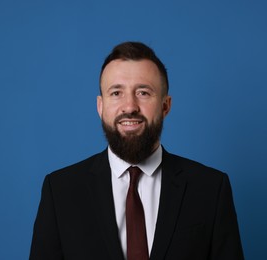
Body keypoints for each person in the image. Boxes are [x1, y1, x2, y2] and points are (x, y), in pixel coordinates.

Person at [30, 42, 244, 260]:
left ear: (165, 106)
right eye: (116, 93)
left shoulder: (210, 189)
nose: (130, 106)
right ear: (100, 106)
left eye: (143, 92)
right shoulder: (60, 192)